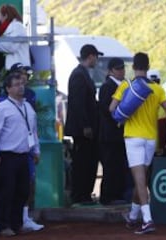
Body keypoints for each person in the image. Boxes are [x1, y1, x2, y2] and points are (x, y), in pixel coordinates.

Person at [110, 52, 166, 234]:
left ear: (133, 67)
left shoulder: (125, 85)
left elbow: (112, 109)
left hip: (133, 137)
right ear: (147, 67)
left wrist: (124, 112)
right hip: (151, 138)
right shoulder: (158, 88)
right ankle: (132, 217)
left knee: (139, 180)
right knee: (142, 179)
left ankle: (147, 219)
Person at [0, 73, 40, 236]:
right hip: (7, 155)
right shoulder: (1, 108)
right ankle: (2, 225)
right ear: (8, 89)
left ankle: (16, 224)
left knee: (22, 191)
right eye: (16, 84)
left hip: (24, 155)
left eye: (21, 83)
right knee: (6, 191)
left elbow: (33, 131)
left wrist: (36, 150)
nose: (20, 86)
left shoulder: (27, 107)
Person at [64, 44, 103, 205]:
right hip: (82, 130)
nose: (97, 60)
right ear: (91, 56)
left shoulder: (82, 74)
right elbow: (78, 103)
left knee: (88, 161)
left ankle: (85, 194)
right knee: (83, 162)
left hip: (85, 128)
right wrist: (85, 125)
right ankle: (80, 194)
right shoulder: (79, 75)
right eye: (96, 57)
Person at [7, 63, 44, 231]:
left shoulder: (31, 95)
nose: (23, 78)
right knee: (11, 185)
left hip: (27, 146)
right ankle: (9, 220)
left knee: (29, 183)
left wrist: (35, 148)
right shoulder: (4, 99)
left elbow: (32, 124)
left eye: (26, 76)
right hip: (10, 150)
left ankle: (25, 216)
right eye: (20, 75)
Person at [98, 57, 129, 205]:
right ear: (110, 71)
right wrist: (119, 118)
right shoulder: (107, 86)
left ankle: (117, 194)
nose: (121, 71)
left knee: (119, 165)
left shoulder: (123, 85)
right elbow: (105, 109)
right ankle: (108, 196)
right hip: (110, 133)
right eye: (118, 69)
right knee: (111, 165)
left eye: (122, 68)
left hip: (119, 133)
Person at [0, 4, 30, 70]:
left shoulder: (17, 26)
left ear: (6, 16)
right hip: (14, 66)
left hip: (20, 67)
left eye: (0, 16)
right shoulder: (10, 28)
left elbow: (11, 47)